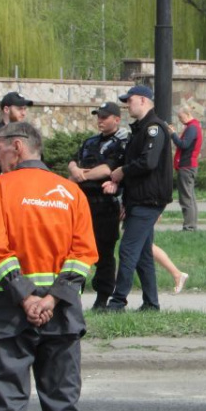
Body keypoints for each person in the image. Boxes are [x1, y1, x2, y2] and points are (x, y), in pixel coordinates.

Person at [0, 121, 98, 411]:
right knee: (62, 404)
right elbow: (84, 255)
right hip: (62, 316)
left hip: (10, 314)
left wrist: (26, 298)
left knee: (10, 403)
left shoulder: (0, 187)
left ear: (17, 147)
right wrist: (52, 300)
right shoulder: (72, 193)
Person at [102, 84, 173, 312]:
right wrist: (125, 197)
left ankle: (117, 301)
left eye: (129, 100)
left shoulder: (153, 128)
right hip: (139, 199)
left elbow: (148, 162)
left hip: (148, 200)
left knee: (128, 249)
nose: (127, 104)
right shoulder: (141, 130)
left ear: (143, 100)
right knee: (142, 254)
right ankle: (151, 303)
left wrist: (122, 171)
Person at [67, 101, 128, 310]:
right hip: (83, 204)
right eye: (98, 116)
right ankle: (73, 292)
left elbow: (107, 169)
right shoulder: (90, 142)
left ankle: (102, 298)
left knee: (104, 254)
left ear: (117, 119)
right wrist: (75, 168)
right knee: (76, 250)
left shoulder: (121, 143)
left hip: (105, 205)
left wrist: (80, 175)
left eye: (104, 117)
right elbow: (73, 161)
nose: (100, 120)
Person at [0, 91, 33, 181]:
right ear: (6, 109)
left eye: (24, 109)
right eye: (19, 109)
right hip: (3, 185)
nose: (23, 113)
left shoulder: (27, 133)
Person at [168, 105, 203, 231]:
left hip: (187, 166)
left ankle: (189, 227)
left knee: (186, 198)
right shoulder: (194, 127)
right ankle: (191, 225)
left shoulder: (192, 128)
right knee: (190, 197)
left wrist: (173, 135)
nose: (180, 120)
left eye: (181, 117)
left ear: (187, 114)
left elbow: (184, 144)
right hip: (189, 166)